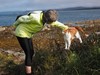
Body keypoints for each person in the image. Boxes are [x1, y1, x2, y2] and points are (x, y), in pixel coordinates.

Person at [12, 9, 69, 75]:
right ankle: (28, 73)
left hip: (28, 34)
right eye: (49, 22)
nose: (50, 24)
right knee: (28, 53)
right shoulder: (35, 18)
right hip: (21, 33)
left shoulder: (47, 17)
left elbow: (55, 23)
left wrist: (65, 27)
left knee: (31, 52)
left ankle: (29, 65)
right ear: (46, 19)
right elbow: (21, 19)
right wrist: (14, 26)